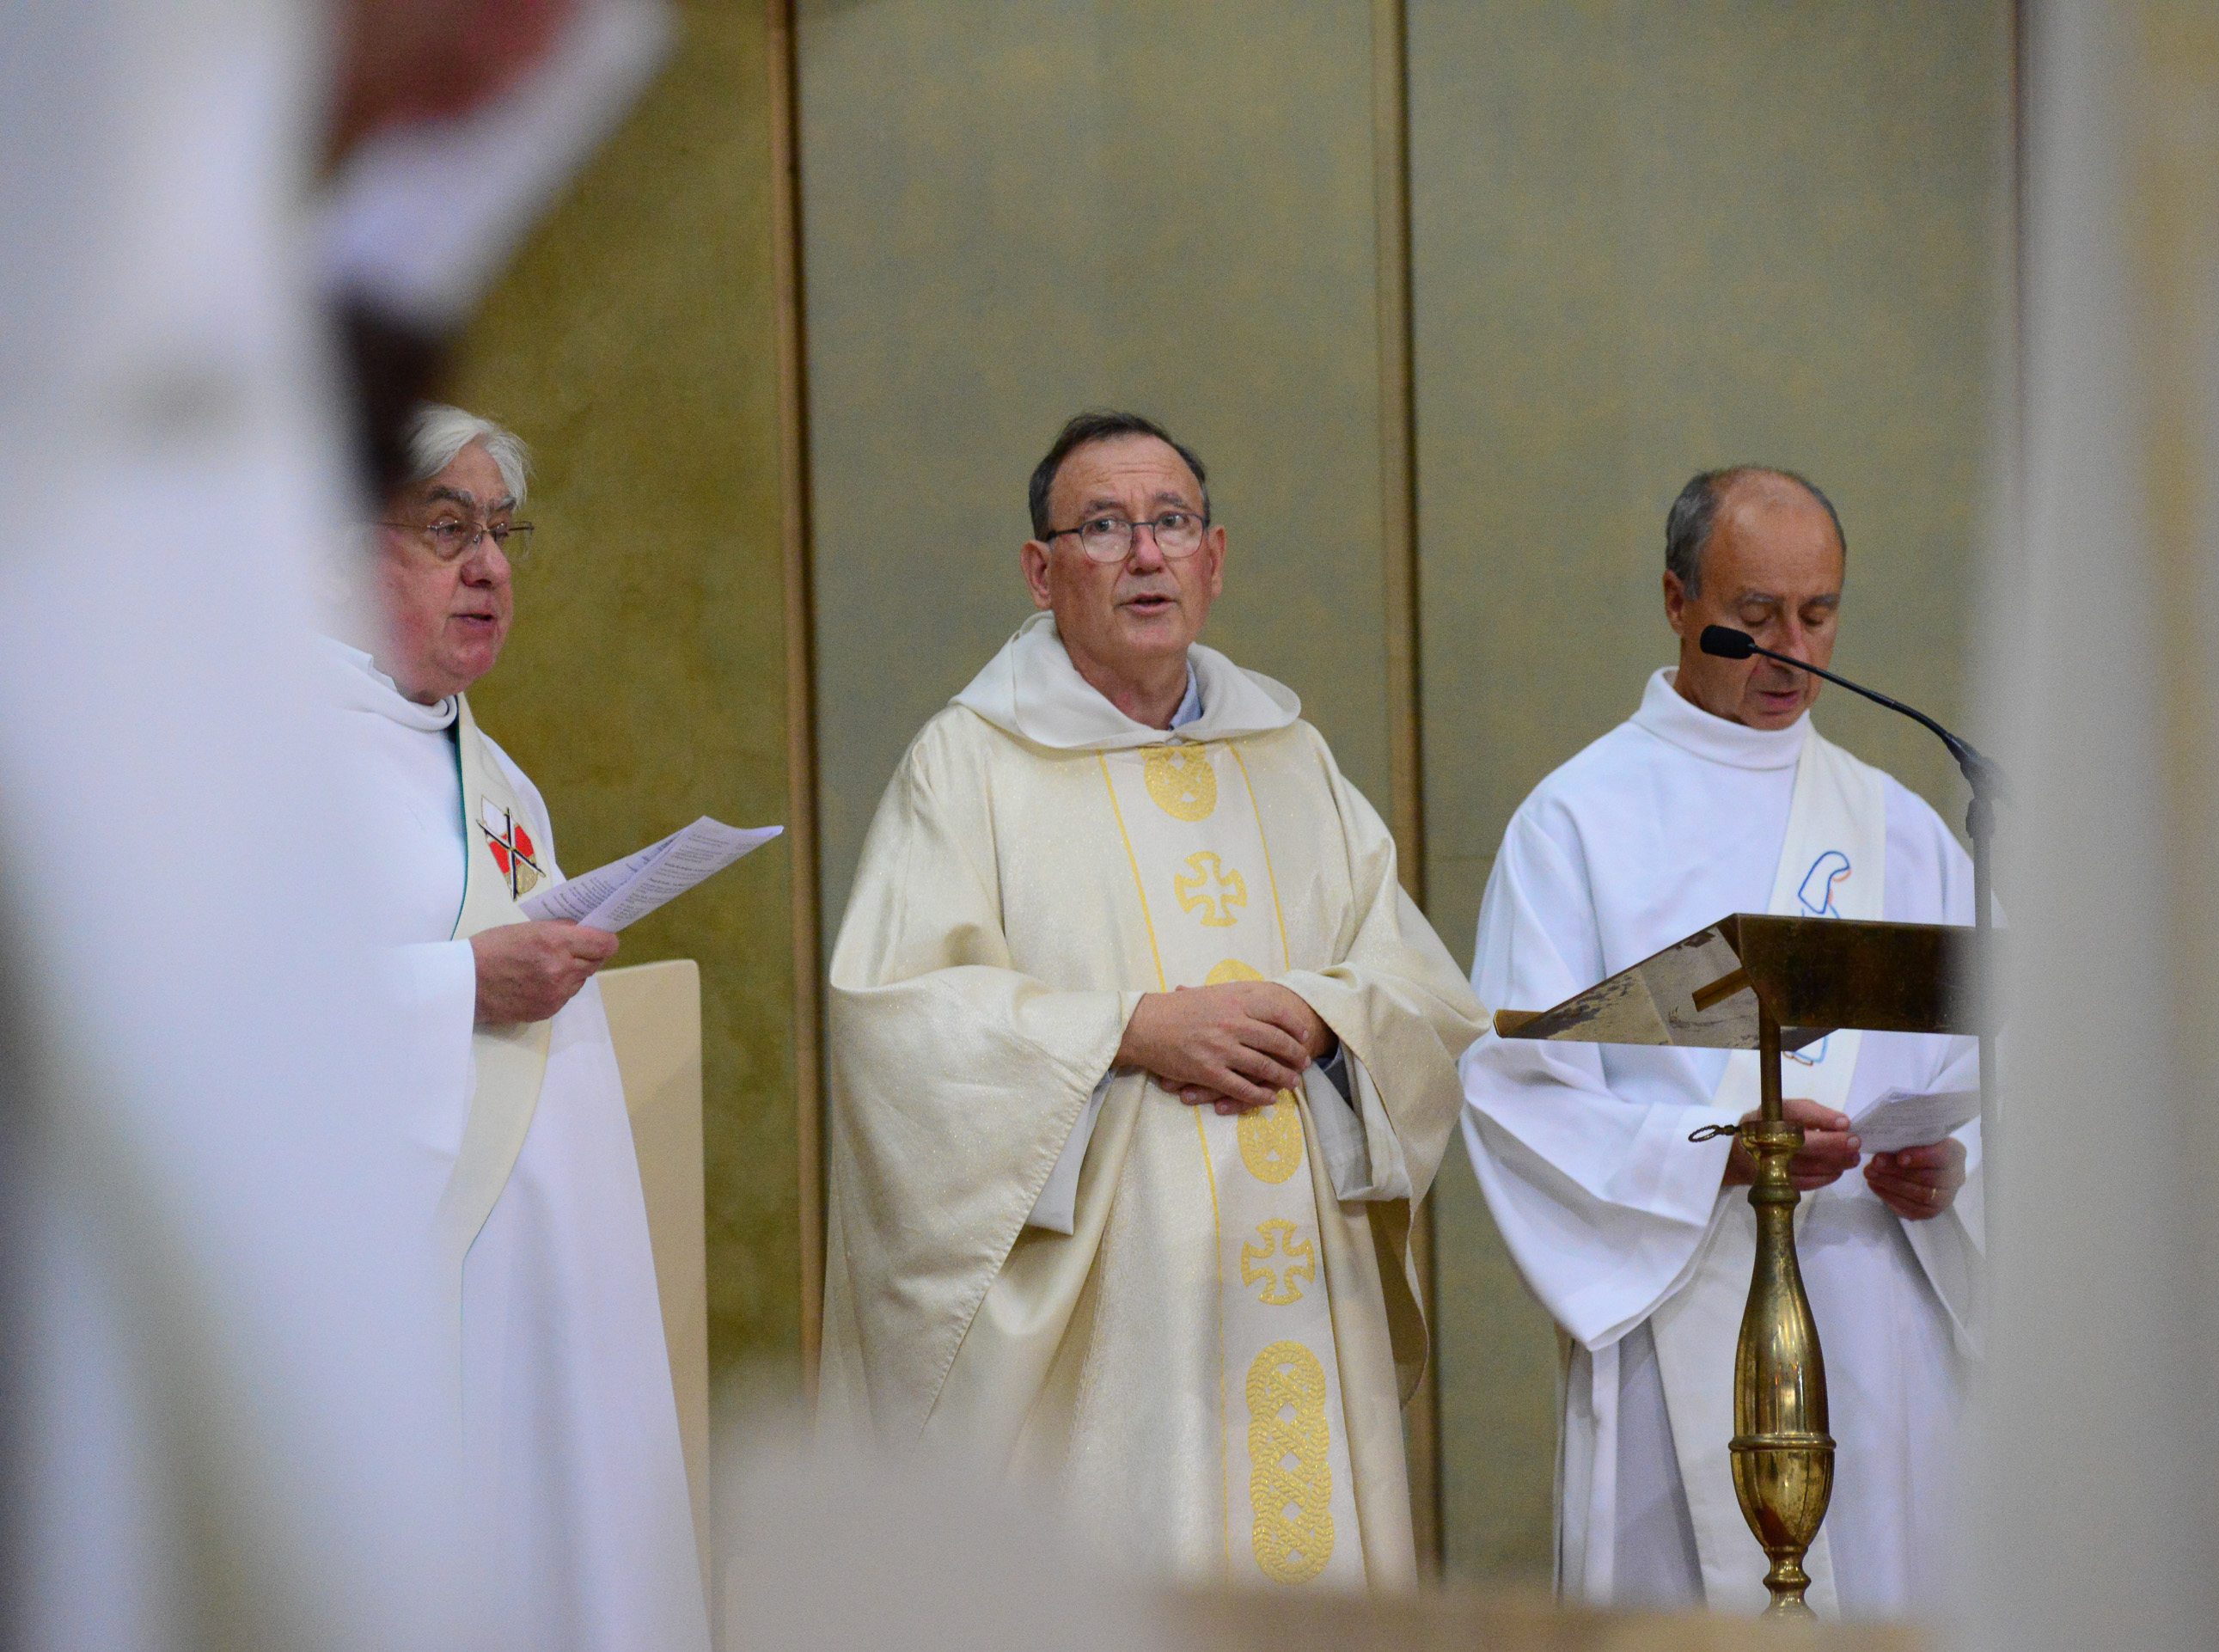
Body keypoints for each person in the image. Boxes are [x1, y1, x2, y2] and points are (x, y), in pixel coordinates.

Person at [822, 411, 1487, 1589]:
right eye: (1103, 526)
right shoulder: (970, 763)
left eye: (1171, 522)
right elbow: (900, 1021)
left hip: (1296, 1281)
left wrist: (1326, 1017)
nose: (1144, 553)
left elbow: (1423, 990)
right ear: (1041, 572)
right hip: (1119, 1307)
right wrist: (1127, 1030)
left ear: (1213, 559)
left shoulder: (1289, 755)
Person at [1459, 467, 1982, 1618]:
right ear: (1675, 599)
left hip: (1881, 1321)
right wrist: (1717, 1154)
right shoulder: (1579, 821)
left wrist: (1953, 1171)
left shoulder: (1902, 827)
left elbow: (1991, 1074)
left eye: (1819, 614)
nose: (1792, 653)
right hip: (1685, 1304)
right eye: (1756, 617)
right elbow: (1518, 1085)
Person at [329, 403, 707, 1651]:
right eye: (448, 530)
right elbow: (216, 1026)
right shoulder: (271, 753)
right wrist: (460, 989)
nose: (489, 566)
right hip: (394, 1287)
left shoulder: (500, 783)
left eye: (502, 531)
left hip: (545, 1285)